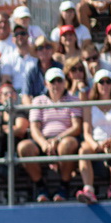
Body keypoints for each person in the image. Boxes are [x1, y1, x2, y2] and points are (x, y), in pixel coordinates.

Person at [18, 67, 82, 201]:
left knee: (68, 144)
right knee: (24, 147)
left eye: (59, 81)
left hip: (65, 139)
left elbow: (77, 127)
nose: (56, 85)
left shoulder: (74, 100)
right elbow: (34, 127)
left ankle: (64, 186)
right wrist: (44, 143)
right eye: (53, 81)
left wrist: (57, 139)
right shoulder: (38, 101)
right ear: (46, 84)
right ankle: (41, 187)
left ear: (65, 82)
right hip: (44, 140)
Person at [76, 70, 111, 202]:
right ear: (96, 85)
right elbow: (86, 132)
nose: (105, 85)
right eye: (101, 82)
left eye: (108, 82)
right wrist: (96, 145)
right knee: (83, 150)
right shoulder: (89, 105)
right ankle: (88, 189)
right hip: (95, 142)